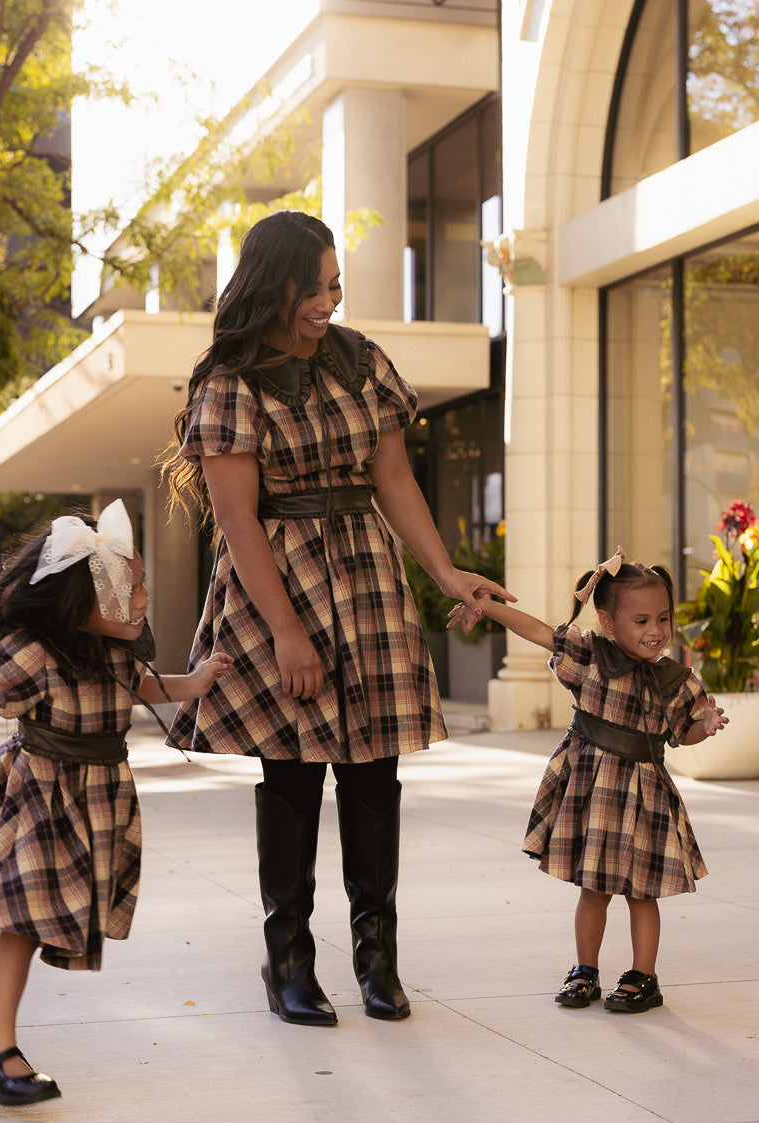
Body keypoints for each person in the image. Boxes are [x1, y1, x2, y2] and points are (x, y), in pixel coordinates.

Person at [161, 209, 513, 1027]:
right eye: (318, 287)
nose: (331, 301)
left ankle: (377, 956)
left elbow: (394, 481)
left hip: (365, 575)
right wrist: (286, 632)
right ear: (277, 286)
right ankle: (288, 961)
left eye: (335, 287)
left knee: (374, 772)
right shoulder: (228, 381)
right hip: (275, 582)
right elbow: (239, 520)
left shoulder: (360, 361)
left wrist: (447, 574)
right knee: (291, 772)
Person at [0, 500, 231, 1106]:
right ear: (81, 597)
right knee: (24, 919)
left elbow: (145, 687)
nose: (143, 597)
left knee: (36, 917)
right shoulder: (33, 650)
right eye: (128, 586)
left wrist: (193, 682)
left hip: (96, 798)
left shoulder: (118, 653)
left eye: (143, 583)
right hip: (37, 796)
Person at [449, 547, 727, 1014]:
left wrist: (707, 725)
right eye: (640, 620)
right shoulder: (590, 656)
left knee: (643, 892)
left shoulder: (678, 680)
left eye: (663, 618)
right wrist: (485, 605)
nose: (655, 631)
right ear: (607, 621)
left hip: (646, 796)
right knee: (592, 889)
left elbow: (684, 733)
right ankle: (585, 971)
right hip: (595, 792)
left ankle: (643, 976)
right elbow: (538, 630)